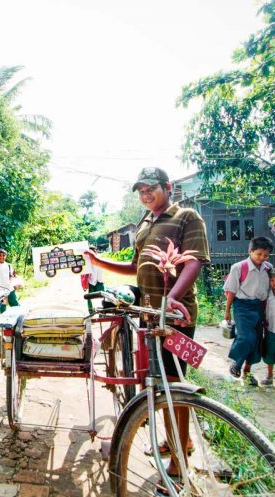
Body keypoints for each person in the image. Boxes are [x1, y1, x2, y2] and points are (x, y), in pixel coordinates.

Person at [84, 166, 210, 485]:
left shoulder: (187, 216)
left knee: (173, 384)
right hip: (148, 315)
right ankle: (179, 440)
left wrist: (172, 299)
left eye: (150, 188)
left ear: (167, 187)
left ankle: (180, 464)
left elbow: (193, 260)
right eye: (140, 190)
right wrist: (97, 262)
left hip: (175, 316)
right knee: (160, 381)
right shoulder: (145, 223)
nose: (145, 195)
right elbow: (133, 267)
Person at [224, 236, 274, 386]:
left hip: (260, 307)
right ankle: (236, 364)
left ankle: (247, 371)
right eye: (259, 254)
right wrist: (227, 311)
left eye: (266, 255)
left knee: (257, 340)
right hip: (242, 306)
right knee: (246, 338)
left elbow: (270, 290)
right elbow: (231, 291)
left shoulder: (268, 268)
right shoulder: (239, 267)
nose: (262, 258)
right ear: (250, 251)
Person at [0, 248, 20, 313]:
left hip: (10, 288)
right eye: (0, 255)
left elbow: (12, 275)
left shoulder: (9, 265)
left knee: (14, 304)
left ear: (5, 256)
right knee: (2, 307)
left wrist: (13, 278)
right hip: (0, 290)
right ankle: (4, 321)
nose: (2, 257)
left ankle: (19, 317)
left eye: (4, 255)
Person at [84, 245, 105, 312]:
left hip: (99, 281)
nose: (94, 252)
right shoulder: (87, 260)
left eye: (94, 250)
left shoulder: (98, 258)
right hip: (92, 282)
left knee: (102, 296)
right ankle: (91, 311)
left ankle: (103, 310)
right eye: (92, 251)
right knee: (90, 297)